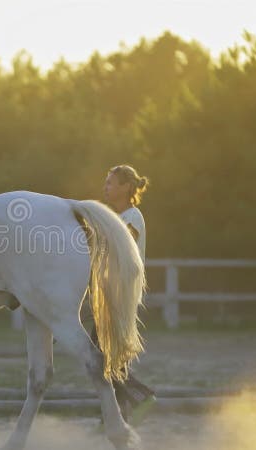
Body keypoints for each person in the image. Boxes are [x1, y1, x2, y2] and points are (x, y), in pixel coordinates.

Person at [96, 164, 155, 424]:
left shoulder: (133, 216)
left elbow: (123, 246)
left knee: (104, 354)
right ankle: (119, 415)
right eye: (106, 182)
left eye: (110, 182)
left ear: (126, 187)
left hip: (121, 294)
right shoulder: (118, 217)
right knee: (106, 354)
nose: (105, 187)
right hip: (111, 292)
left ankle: (139, 398)